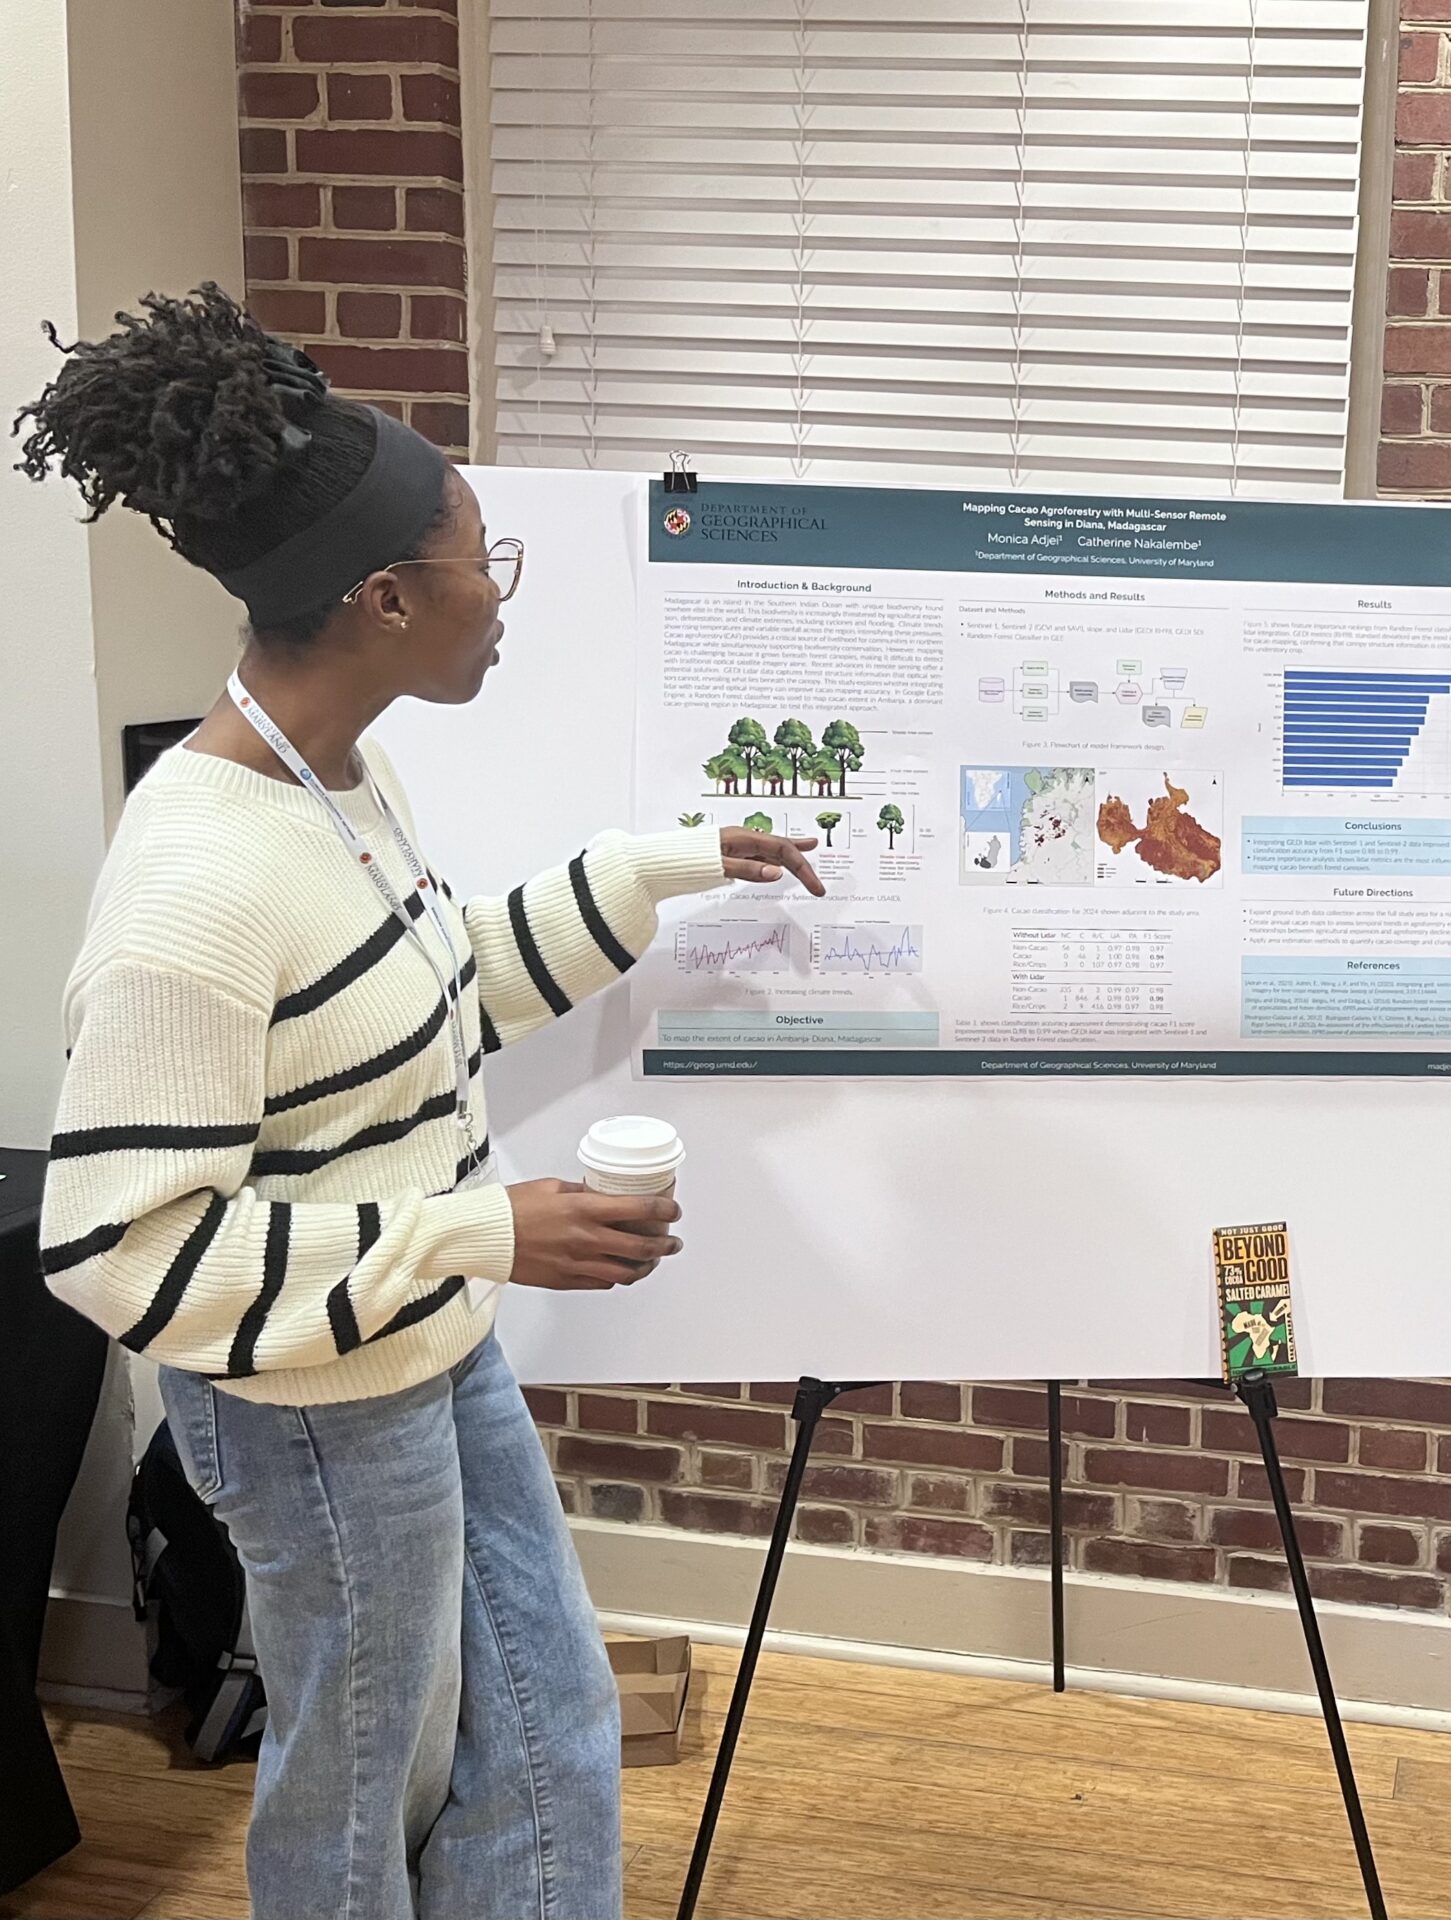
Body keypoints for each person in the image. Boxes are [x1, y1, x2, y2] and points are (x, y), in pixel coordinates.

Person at [19, 285, 822, 1918]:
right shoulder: (195, 889)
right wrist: (475, 1230)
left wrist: (655, 870)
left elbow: (424, 990)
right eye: (482, 564)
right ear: (386, 599)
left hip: (424, 1344)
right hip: (310, 1406)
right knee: (363, 1781)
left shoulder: (339, 779)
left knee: (544, 1729)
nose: (500, 596)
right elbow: (120, 1248)